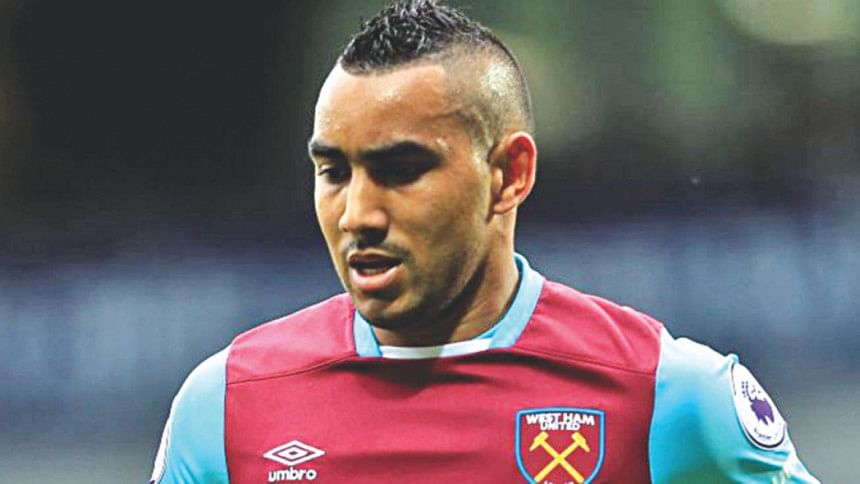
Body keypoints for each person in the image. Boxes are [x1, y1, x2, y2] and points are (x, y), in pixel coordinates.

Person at [150, 1, 818, 482]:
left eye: (401, 170)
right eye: (334, 172)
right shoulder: (228, 407)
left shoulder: (665, 396)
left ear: (509, 174)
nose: (357, 214)